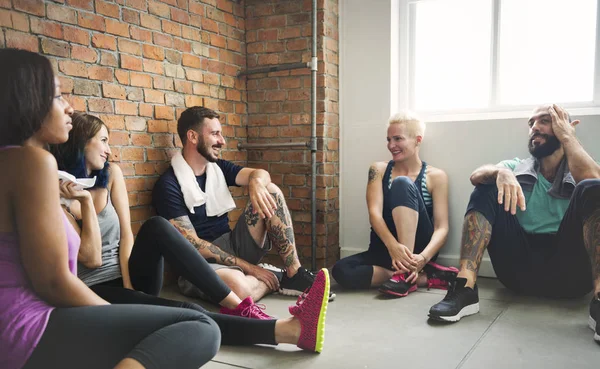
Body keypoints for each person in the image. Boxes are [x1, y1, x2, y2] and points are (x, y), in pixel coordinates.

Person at [0, 48, 219, 369]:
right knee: (200, 328)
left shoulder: (18, 163)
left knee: (192, 316)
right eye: (58, 96)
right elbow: (54, 282)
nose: (70, 108)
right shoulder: (31, 163)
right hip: (24, 328)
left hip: (34, 318)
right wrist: (115, 314)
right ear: (27, 99)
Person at [50, 112, 331, 352]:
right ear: (80, 143)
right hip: (95, 286)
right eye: (102, 141)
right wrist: (85, 204)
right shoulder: (57, 194)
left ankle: (247, 302)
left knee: (157, 226)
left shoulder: (111, 174)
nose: (109, 149)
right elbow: (92, 259)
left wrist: (131, 287)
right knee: (191, 313)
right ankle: (286, 329)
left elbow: (127, 237)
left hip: (128, 276)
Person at [428, 105, 600, 344]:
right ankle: (464, 288)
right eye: (531, 123)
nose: (535, 128)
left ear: (564, 128)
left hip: (570, 276)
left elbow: (594, 180)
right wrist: (500, 172)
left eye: (545, 121)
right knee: (487, 184)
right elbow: (476, 174)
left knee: (593, 189)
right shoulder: (516, 167)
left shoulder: (583, 170)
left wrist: (569, 137)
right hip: (518, 271)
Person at [153, 106, 333, 302]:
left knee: (270, 189)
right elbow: (193, 246)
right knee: (239, 289)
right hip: (199, 264)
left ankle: (294, 273)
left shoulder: (218, 168)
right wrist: (251, 268)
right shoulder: (168, 185)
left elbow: (261, 174)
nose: (222, 141)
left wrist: (255, 182)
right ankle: (275, 278)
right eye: (215, 134)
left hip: (232, 244)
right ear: (193, 137)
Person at [332, 111, 457, 296]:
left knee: (402, 184)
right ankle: (421, 277)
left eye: (398, 139)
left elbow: (442, 228)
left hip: (416, 252)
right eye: (389, 139)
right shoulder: (378, 170)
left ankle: (406, 273)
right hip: (384, 248)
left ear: (417, 140)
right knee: (341, 271)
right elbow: (374, 214)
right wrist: (393, 247)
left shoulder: (436, 176)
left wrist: (423, 258)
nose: (391, 145)